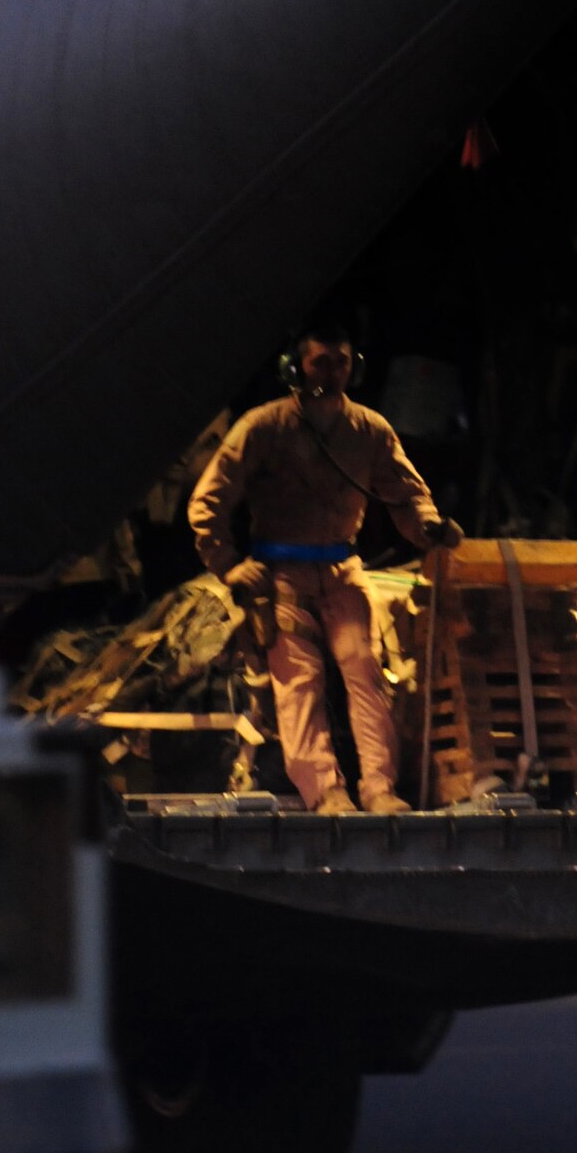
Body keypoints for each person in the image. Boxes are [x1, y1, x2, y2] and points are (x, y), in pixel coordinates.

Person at [189, 323, 463, 815]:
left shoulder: (369, 430)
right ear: (295, 368)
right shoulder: (264, 426)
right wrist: (229, 566)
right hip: (282, 575)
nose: (332, 374)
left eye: (341, 363)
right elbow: (209, 499)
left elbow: (408, 495)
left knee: (366, 673)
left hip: (342, 571)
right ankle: (325, 791)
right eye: (320, 363)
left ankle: (379, 788)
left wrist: (429, 527)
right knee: (300, 683)